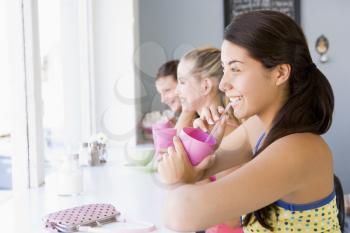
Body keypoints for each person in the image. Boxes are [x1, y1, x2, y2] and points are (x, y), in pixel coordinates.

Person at [158, 10, 340, 233]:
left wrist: (175, 182)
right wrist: (205, 145)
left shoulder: (299, 149)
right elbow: (194, 170)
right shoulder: (257, 127)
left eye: (235, 69)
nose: (223, 84)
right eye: (224, 70)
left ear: (280, 73)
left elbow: (181, 214)